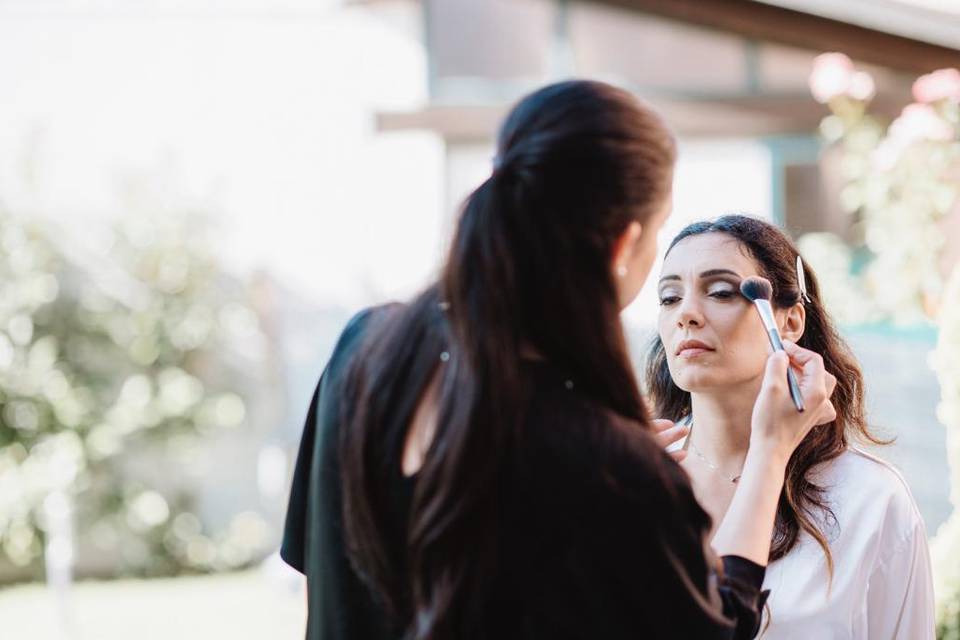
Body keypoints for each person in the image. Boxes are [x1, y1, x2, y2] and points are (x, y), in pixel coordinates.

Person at [281, 81, 837, 640]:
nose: (686, 313)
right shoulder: (604, 464)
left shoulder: (363, 350)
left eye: (718, 292)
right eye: (668, 288)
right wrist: (769, 453)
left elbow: (320, 572)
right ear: (623, 245)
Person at [647, 214, 936, 639]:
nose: (686, 314)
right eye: (669, 298)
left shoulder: (869, 499)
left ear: (791, 322)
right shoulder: (633, 480)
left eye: (722, 292)